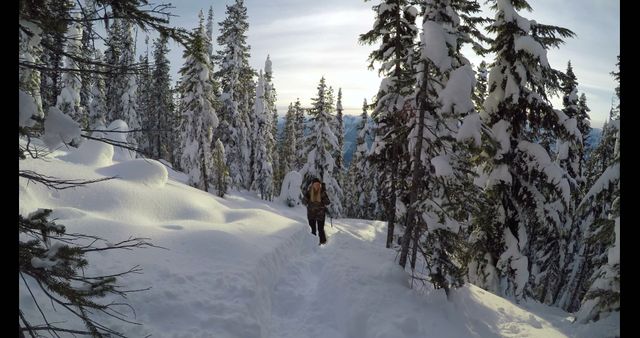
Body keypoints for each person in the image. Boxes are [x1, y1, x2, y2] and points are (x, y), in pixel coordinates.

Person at [302, 177, 331, 245]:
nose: (317, 186)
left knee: (320, 230)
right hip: (311, 214)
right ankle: (313, 244)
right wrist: (306, 198)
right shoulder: (309, 192)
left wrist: (324, 194)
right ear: (312, 185)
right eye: (315, 184)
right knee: (312, 230)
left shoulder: (322, 192)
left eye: (318, 184)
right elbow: (304, 202)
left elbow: (328, 202)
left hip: (320, 214)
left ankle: (323, 243)